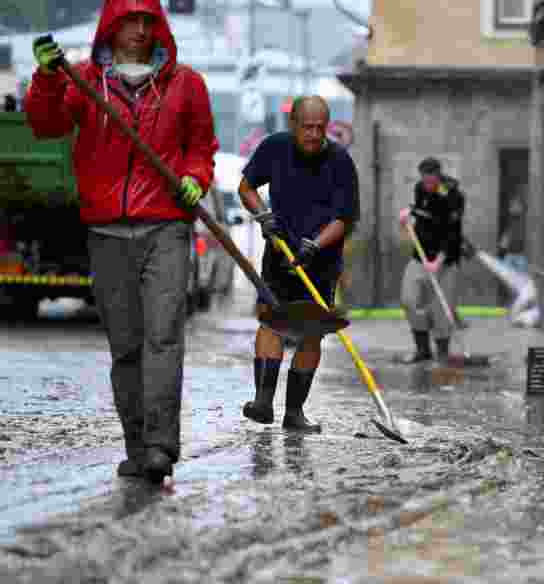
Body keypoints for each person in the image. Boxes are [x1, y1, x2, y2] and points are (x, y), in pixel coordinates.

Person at [25, 0, 218, 482]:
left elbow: (200, 148)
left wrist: (196, 177)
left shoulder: (186, 84)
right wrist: (47, 79)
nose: (137, 31)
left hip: (166, 227)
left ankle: (159, 445)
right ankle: (137, 446)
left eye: (146, 22)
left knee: (164, 337)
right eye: (128, 21)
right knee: (126, 346)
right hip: (106, 231)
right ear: (110, 27)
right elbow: (45, 125)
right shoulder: (83, 81)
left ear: (160, 28)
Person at [238, 95, 359, 433]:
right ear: (293, 125)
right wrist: (263, 215)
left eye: (320, 128)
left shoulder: (340, 162)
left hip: (321, 260)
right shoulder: (274, 148)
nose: (314, 135)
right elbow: (246, 188)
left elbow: (343, 219)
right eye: (307, 127)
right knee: (270, 322)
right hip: (279, 252)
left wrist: (315, 245)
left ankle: (294, 412)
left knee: (312, 333)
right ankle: (262, 402)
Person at [397, 157, 465, 363]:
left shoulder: (453, 195)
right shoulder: (420, 188)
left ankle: (443, 353)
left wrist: (439, 260)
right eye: (424, 181)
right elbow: (420, 210)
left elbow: (452, 233)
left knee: (441, 308)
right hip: (420, 256)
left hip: (445, 261)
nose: (427, 185)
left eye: (431, 182)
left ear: (439, 176)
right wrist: (408, 213)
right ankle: (422, 349)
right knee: (409, 300)